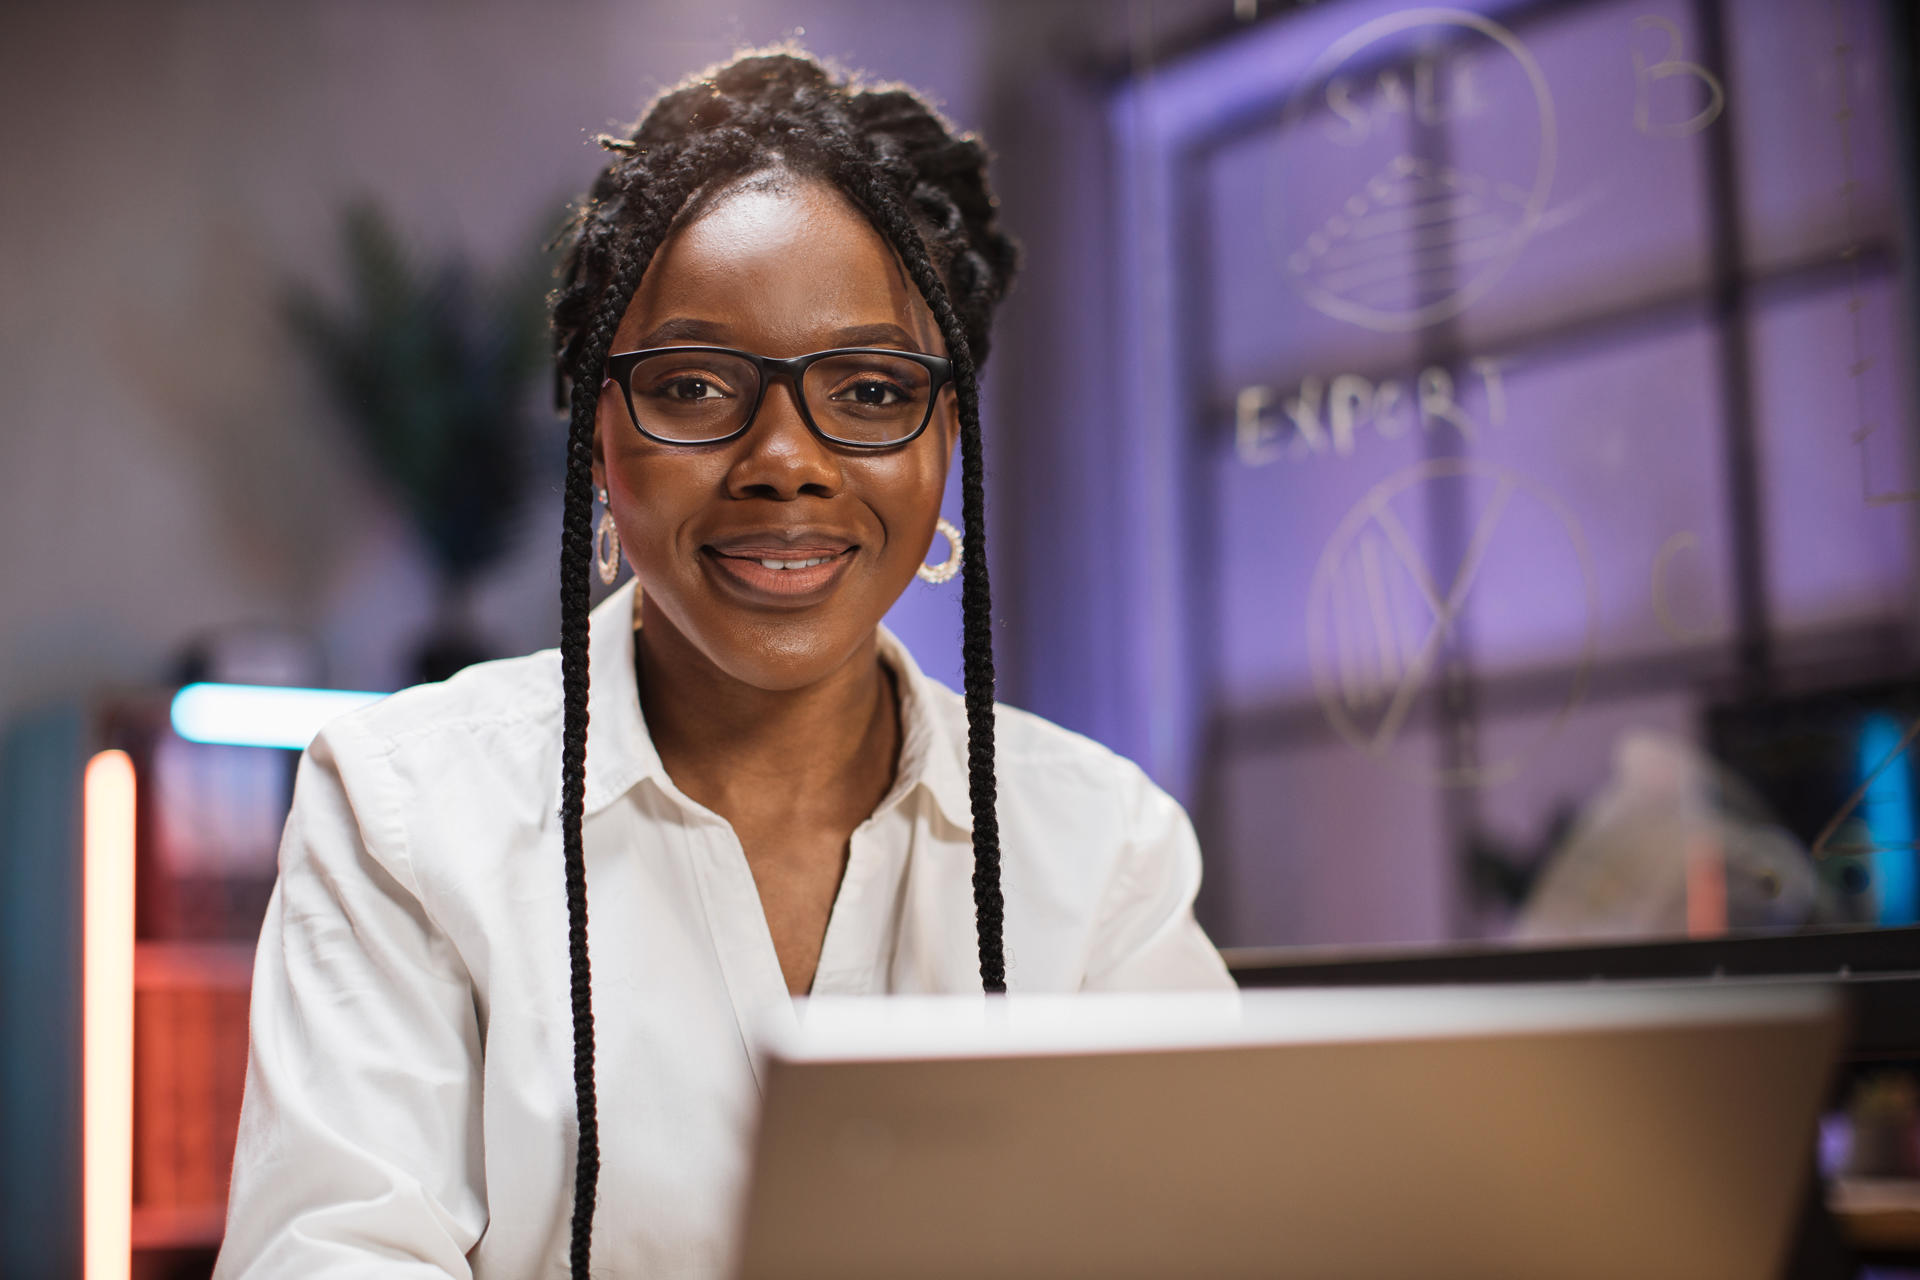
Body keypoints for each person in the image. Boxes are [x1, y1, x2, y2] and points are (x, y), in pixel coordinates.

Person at [215, 48, 1231, 1280]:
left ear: (945, 434)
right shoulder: (403, 811)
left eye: (867, 388)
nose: (784, 459)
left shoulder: (1100, 846)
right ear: (599, 433)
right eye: (695, 385)